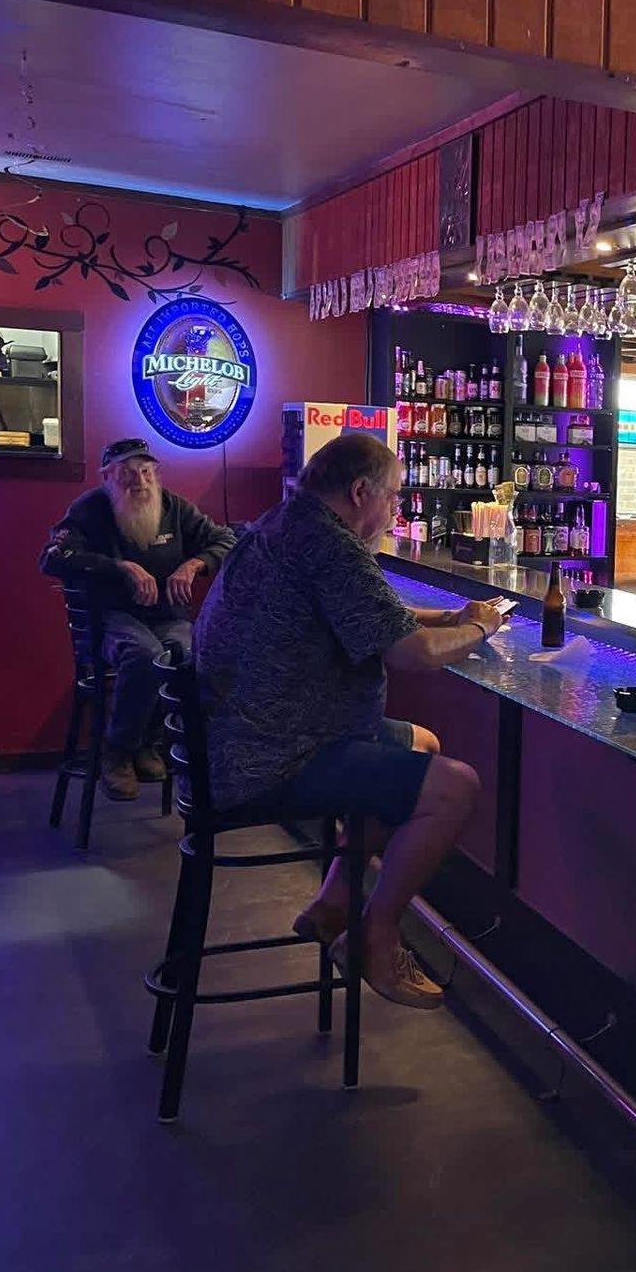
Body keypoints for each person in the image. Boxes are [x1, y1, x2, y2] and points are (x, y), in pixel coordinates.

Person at [195, 433, 507, 1010]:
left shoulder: (287, 523)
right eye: (393, 498)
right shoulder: (326, 543)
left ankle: (335, 899)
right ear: (361, 491)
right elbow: (410, 654)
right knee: (455, 787)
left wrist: (447, 614)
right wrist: (480, 630)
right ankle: (376, 935)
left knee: (423, 744)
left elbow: (360, 607)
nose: (396, 511)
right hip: (272, 759)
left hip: (242, 740)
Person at [40, 437, 236, 800]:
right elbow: (53, 556)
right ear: (108, 478)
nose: (140, 482)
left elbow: (225, 540)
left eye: (146, 472)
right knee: (145, 655)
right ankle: (118, 751)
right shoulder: (90, 510)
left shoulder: (174, 508)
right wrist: (120, 568)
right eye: (128, 474)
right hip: (112, 617)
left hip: (167, 616)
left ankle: (152, 743)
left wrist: (195, 564)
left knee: (190, 657)